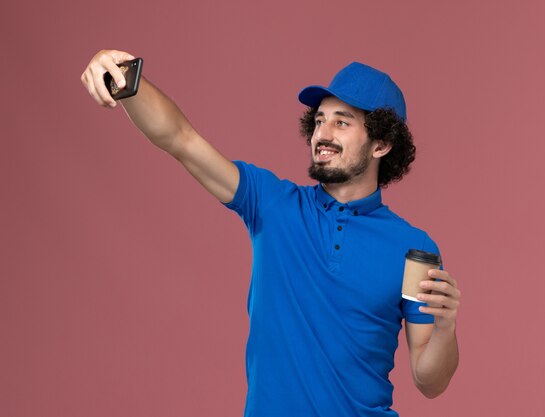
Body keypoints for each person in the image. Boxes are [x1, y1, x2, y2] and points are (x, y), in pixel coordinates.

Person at [81, 50, 461, 417]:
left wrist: (445, 328)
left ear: (381, 143)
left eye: (341, 122)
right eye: (318, 121)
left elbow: (429, 381)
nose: (322, 134)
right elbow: (181, 139)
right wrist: (127, 79)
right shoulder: (272, 205)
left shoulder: (414, 248)